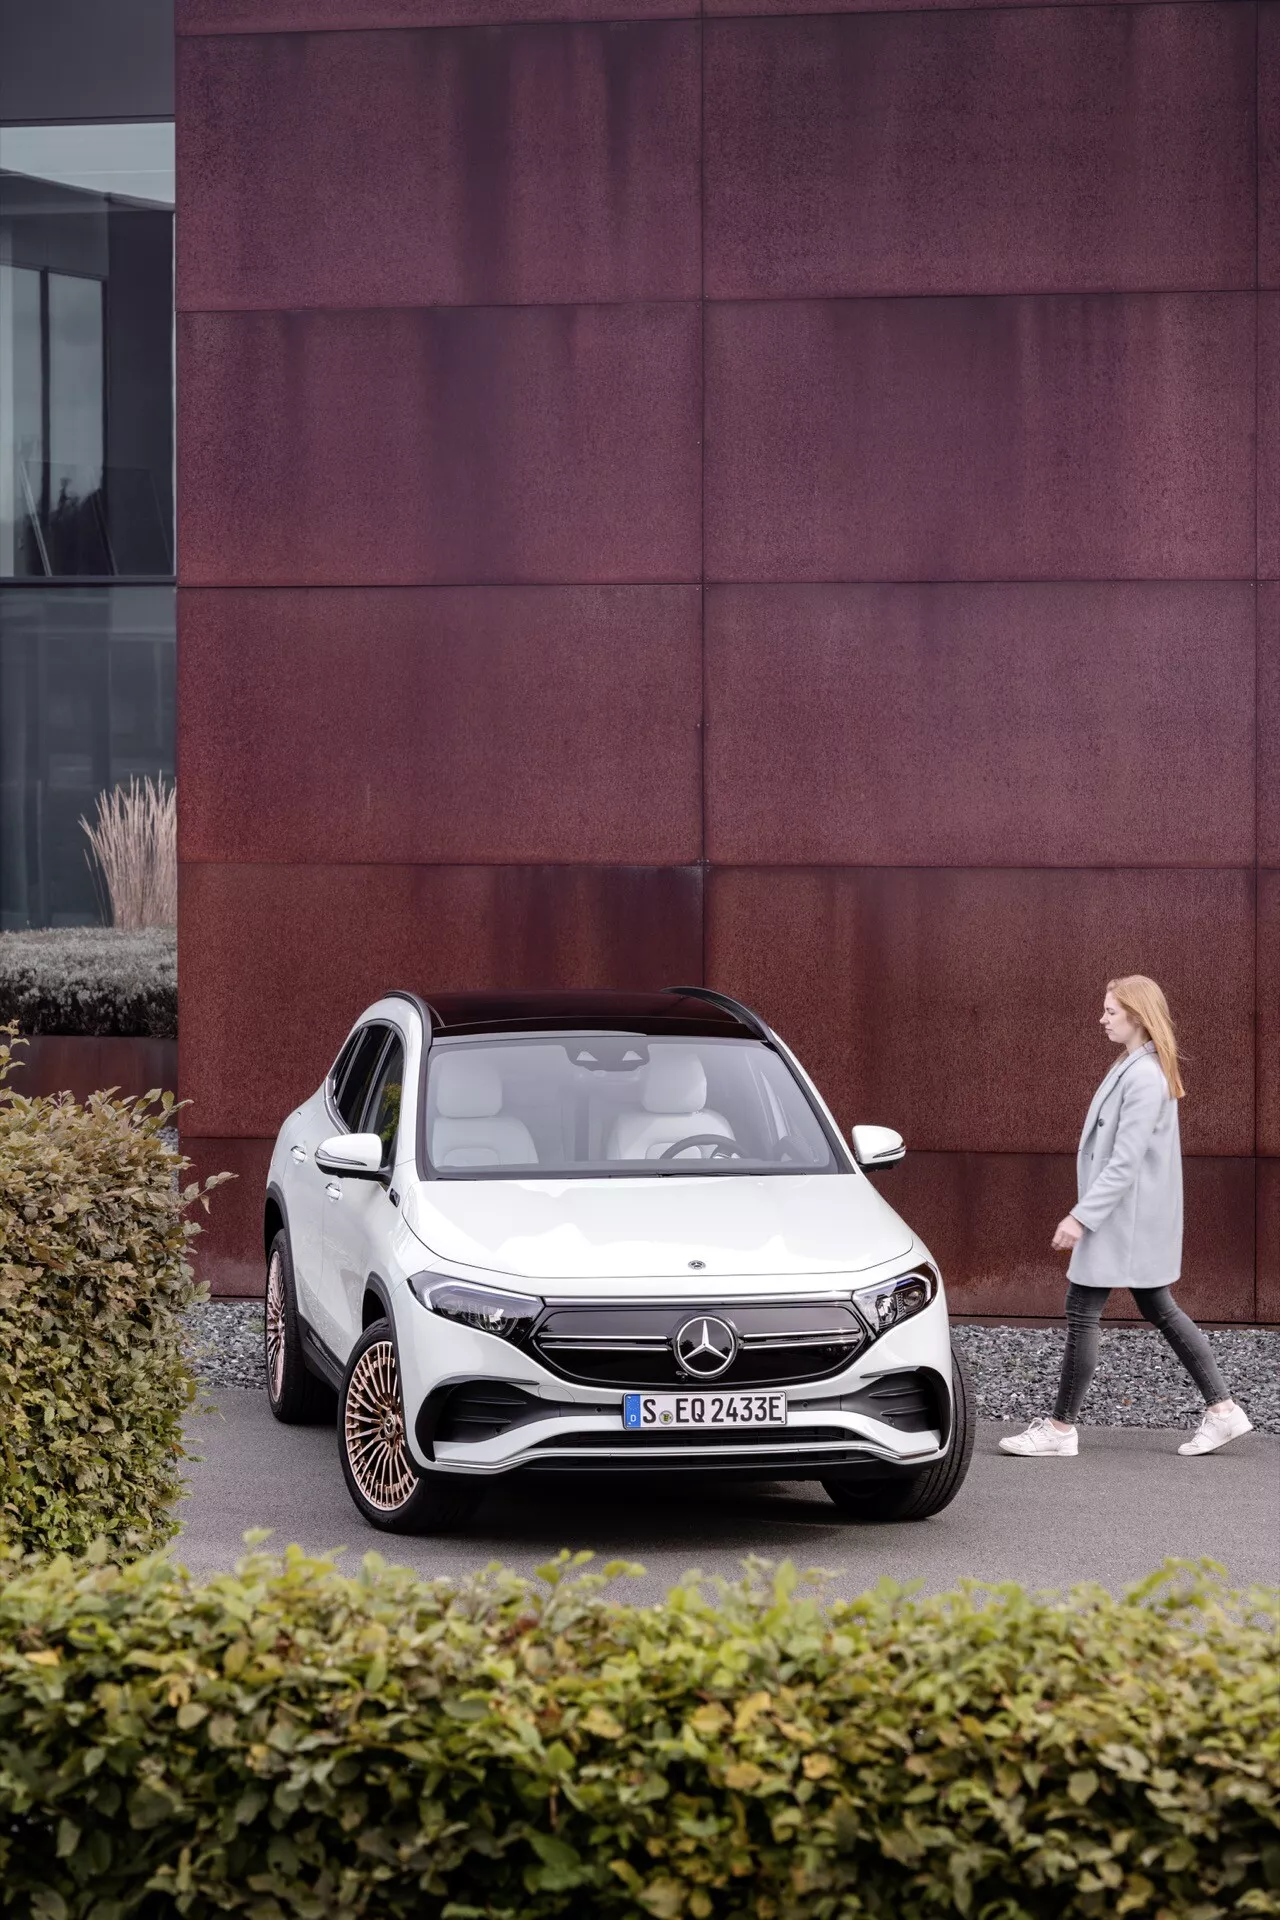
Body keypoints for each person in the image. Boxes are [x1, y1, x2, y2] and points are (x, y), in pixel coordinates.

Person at [1000, 975, 1252, 1460]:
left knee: (1084, 1310)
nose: (1102, 1019)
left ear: (1137, 1015)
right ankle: (1223, 1410)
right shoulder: (1137, 1066)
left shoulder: (1143, 1075)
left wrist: (1081, 1217)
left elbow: (1124, 1160)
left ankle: (1060, 1428)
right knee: (1159, 1307)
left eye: (1111, 1011)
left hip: (1121, 1218)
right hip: (1129, 1218)